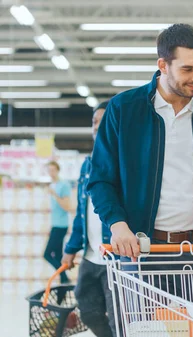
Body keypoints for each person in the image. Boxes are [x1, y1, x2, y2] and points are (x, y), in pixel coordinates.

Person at [87, 24, 193, 303]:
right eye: (188, 69)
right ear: (163, 65)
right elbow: (101, 179)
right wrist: (117, 225)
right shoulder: (123, 109)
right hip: (141, 251)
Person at [61, 101, 116, 337]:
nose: (96, 127)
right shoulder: (87, 165)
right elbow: (81, 213)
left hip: (116, 258)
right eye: (94, 122)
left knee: (120, 317)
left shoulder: (125, 165)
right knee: (88, 309)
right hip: (90, 256)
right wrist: (71, 248)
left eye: (102, 122)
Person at [45, 160, 71, 284]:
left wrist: (54, 194)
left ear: (58, 170)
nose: (51, 173)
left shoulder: (63, 185)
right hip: (55, 224)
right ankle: (64, 281)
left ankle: (64, 276)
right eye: (49, 170)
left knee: (47, 254)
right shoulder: (52, 185)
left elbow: (66, 206)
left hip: (61, 225)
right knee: (58, 255)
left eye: (53, 170)